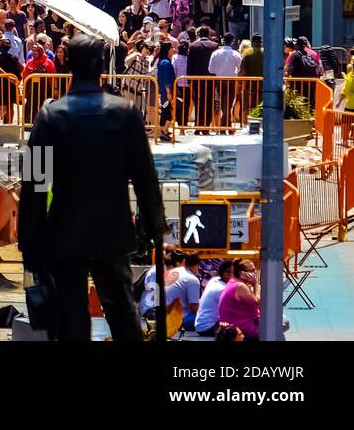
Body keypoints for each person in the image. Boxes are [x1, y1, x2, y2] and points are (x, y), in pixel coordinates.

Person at [19, 34, 165, 342]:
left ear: (67, 63)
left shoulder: (51, 115)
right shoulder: (124, 113)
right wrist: (156, 226)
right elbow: (145, 178)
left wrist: (29, 241)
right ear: (102, 65)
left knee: (71, 315)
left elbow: (34, 183)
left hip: (65, 230)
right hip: (112, 229)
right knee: (123, 311)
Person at [217, 258, 260, 340]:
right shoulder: (240, 286)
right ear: (241, 273)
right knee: (279, 325)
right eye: (251, 271)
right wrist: (255, 285)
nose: (254, 273)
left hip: (237, 323)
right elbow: (257, 302)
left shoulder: (233, 282)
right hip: (239, 328)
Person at [194, 260, 235, 337]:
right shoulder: (223, 289)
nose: (232, 275)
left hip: (200, 325)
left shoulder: (214, 280)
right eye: (228, 272)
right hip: (209, 328)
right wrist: (254, 285)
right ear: (222, 273)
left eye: (234, 273)